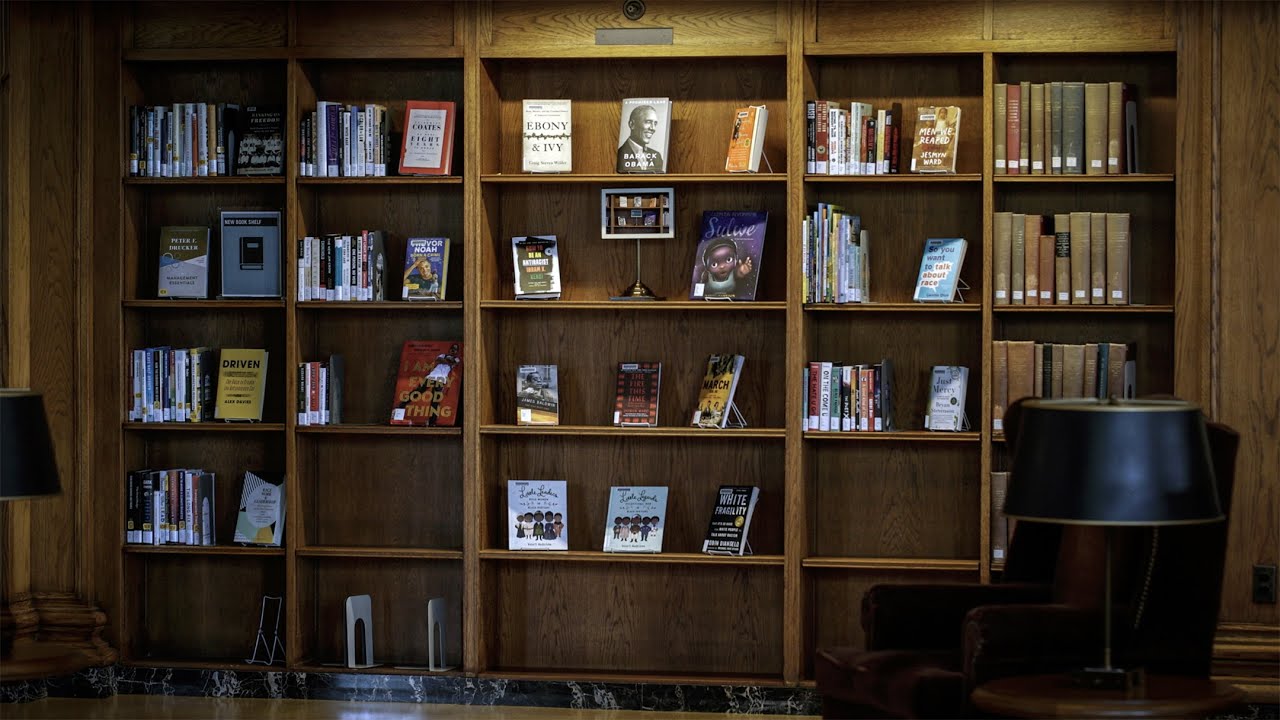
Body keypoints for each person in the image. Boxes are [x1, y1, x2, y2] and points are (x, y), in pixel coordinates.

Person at [616, 104, 664, 173]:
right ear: (632, 124)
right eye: (648, 122)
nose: (653, 128)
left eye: (655, 124)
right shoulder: (619, 155)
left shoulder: (657, 156)